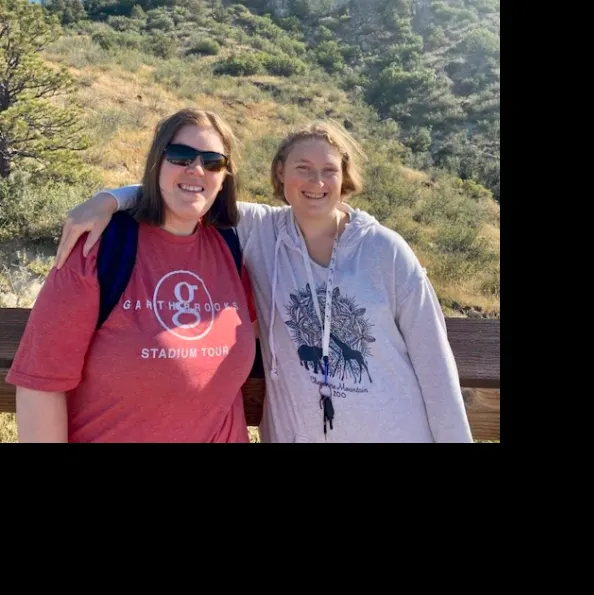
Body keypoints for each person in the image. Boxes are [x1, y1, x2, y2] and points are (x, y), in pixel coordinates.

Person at [52, 120, 472, 443]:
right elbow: (190, 189)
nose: (316, 182)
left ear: (345, 177)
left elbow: (436, 366)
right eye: (302, 168)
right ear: (280, 174)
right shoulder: (260, 231)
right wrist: (109, 199)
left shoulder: (386, 250)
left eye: (329, 170)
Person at [6, 108, 257, 443]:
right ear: (157, 162)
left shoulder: (231, 246)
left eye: (212, 161)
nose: (196, 168)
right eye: (180, 156)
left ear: (225, 175)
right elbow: (39, 384)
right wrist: (108, 199)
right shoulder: (100, 248)